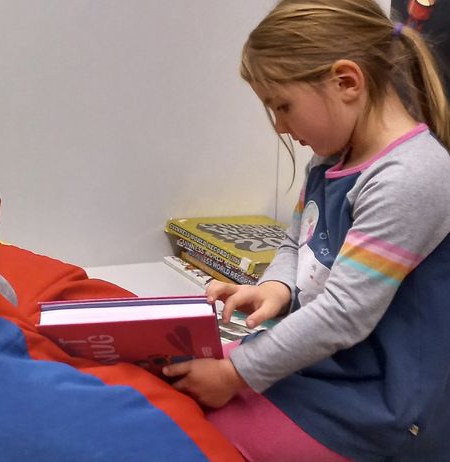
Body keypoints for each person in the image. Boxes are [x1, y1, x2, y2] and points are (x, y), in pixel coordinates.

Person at [162, 1, 450, 460]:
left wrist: (236, 375)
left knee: (191, 425)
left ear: (346, 82)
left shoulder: (411, 176)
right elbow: (298, 240)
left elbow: (343, 314)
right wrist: (277, 286)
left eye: (283, 106)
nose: (279, 126)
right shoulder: (331, 158)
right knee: (175, 375)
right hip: (327, 366)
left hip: (380, 409)